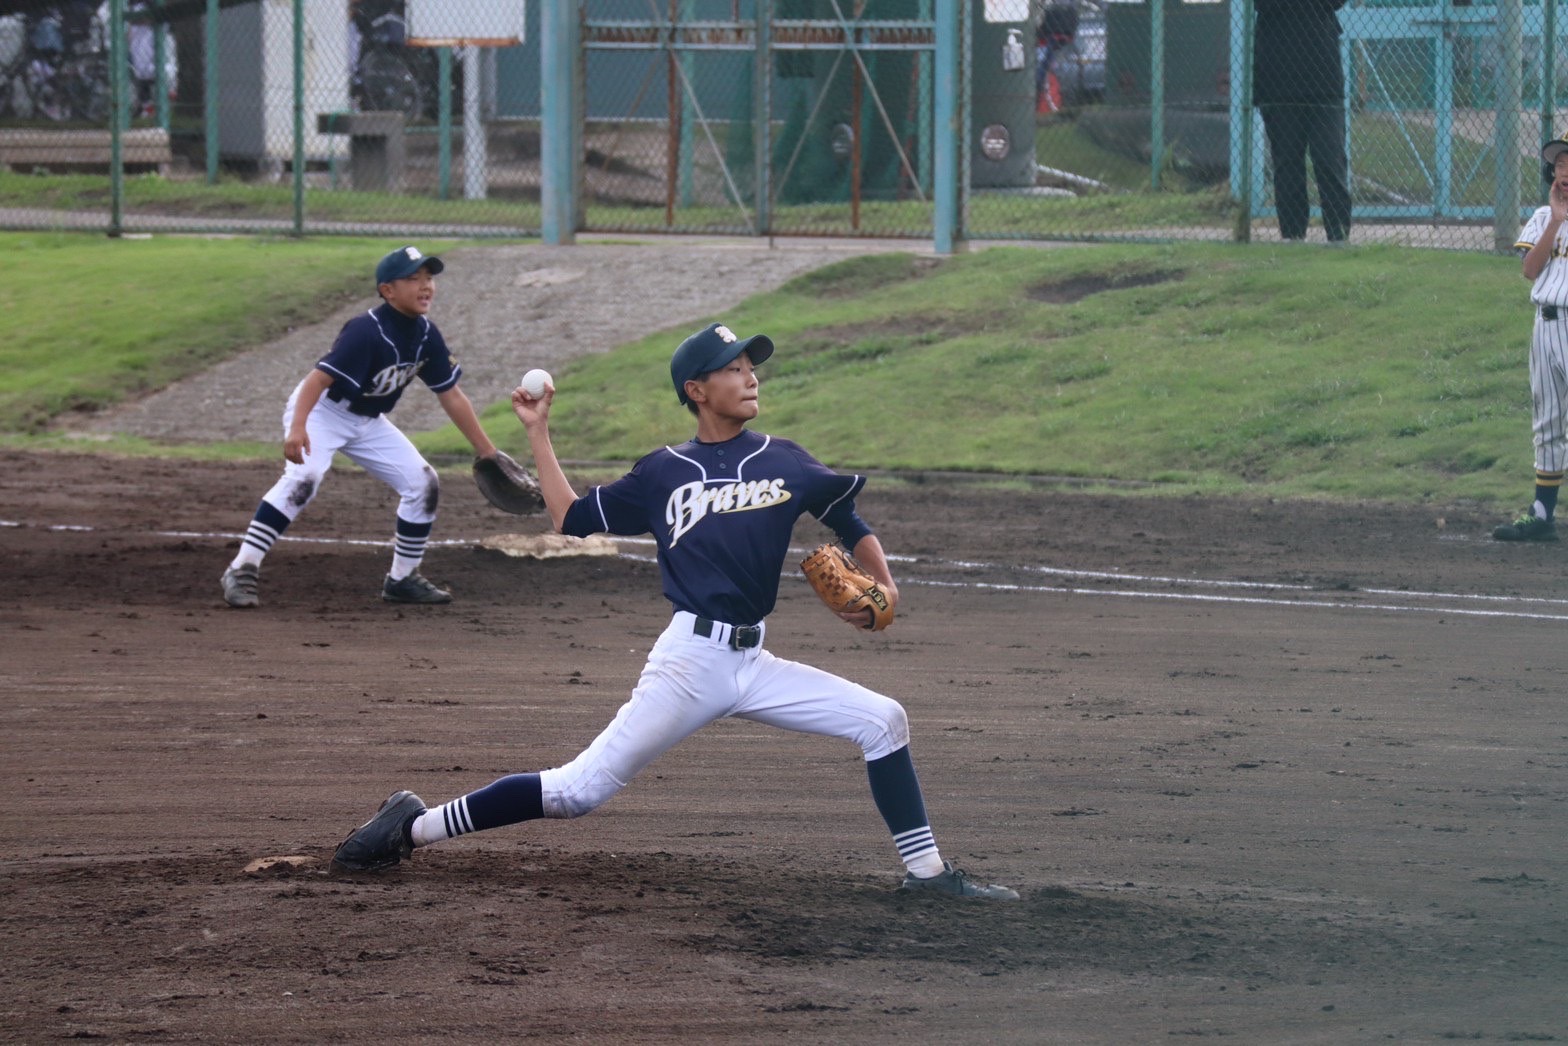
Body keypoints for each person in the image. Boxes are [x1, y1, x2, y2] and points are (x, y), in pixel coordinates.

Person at [332, 322, 1021, 901]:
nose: (750, 378)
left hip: (753, 660)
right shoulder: (663, 472)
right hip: (690, 663)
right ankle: (413, 826)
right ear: (697, 390)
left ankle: (927, 875)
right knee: (578, 791)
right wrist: (538, 432)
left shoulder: (786, 462)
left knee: (884, 720)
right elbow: (572, 518)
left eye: (753, 368)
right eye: (733, 368)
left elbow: (849, 518)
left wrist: (886, 586)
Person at [220, 246, 504, 607]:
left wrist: (487, 450)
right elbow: (316, 381)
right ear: (388, 290)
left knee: (423, 482)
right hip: (322, 413)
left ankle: (402, 579)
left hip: (367, 421)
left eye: (429, 278)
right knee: (303, 479)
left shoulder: (427, 335)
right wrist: (297, 428)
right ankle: (242, 567)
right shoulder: (365, 331)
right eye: (412, 278)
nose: (425, 286)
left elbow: (451, 396)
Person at [1495, 136, 1568, 542]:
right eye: (1560, 163)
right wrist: (1557, 220)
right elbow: (1530, 270)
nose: (1564, 171)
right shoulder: (1543, 216)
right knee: (1547, 421)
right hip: (1546, 324)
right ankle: (1542, 513)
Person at [1253, 0, 1352, 243]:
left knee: (1329, 159)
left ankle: (1338, 236)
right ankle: (1293, 236)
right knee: (1287, 162)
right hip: (1278, 76)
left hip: (1322, 76)